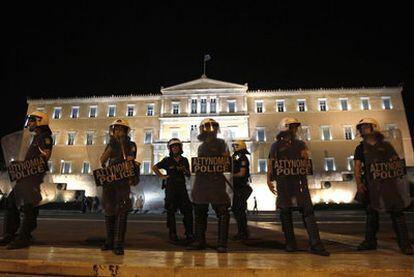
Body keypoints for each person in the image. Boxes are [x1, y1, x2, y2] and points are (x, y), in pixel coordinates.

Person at [267, 117, 329, 256]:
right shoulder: (276, 146)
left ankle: (315, 243)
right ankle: (290, 243)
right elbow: (271, 162)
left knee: (307, 211)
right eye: (292, 127)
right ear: (285, 128)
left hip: (299, 182)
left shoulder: (301, 144)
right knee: (285, 213)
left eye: (295, 127)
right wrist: (269, 179)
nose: (294, 130)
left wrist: (305, 156)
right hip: (284, 183)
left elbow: (306, 160)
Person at [354, 118, 413, 255]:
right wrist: (359, 183)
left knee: (397, 213)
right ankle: (370, 241)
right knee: (371, 214)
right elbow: (357, 166)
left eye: (366, 126)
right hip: (371, 184)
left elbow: (395, 162)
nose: (363, 129)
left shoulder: (386, 145)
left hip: (388, 184)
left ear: (373, 128)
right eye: (361, 127)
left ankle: (405, 244)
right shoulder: (360, 148)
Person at [0, 111, 53, 249]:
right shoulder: (36, 137)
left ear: (39, 121)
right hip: (25, 177)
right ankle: (9, 234)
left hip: (33, 180)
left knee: (29, 208)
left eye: (31, 120)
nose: (28, 123)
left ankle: (23, 237)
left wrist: (28, 164)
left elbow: (45, 157)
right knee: (12, 202)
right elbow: (32, 159)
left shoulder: (45, 137)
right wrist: (18, 163)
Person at [187, 118, 231, 253]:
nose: (210, 129)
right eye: (207, 126)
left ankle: (222, 243)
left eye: (212, 126)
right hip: (202, 182)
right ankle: (200, 240)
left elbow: (226, 160)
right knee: (200, 212)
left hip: (217, 181)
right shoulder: (200, 146)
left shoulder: (222, 143)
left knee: (223, 212)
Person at [99, 118, 137, 255]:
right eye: (116, 129)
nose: (118, 131)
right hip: (110, 180)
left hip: (123, 181)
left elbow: (131, 160)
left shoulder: (131, 145)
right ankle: (109, 241)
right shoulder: (110, 144)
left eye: (120, 129)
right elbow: (102, 160)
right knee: (109, 211)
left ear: (126, 131)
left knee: (122, 212)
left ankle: (118, 243)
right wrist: (112, 145)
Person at [152, 138, 194, 244]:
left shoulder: (184, 160)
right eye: (173, 147)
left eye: (177, 146)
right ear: (170, 149)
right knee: (171, 211)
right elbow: (154, 167)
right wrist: (162, 176)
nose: (175, 148)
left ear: (180, 148)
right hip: (171, 189)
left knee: (188, 210)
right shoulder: (167, 160)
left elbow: (188, 174)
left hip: (182, 188)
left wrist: (184, 170)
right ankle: (172, 233)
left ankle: (189, 233)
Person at [230, 140, 253, 241]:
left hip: (241, 187)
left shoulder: (242, 157)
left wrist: (230, 176)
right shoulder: (237, 156)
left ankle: (243, 232)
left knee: (239, 210)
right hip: (237, 187)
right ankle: (242, 231)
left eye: (235, 146)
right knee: (237, 210)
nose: (234, 147)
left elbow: (242, 173)